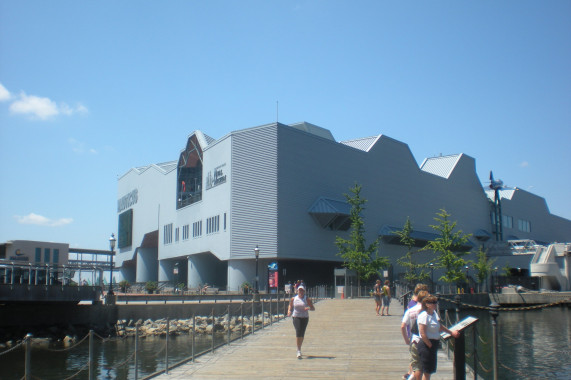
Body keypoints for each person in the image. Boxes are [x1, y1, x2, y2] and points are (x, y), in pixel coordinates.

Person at [416, 295, 460, 380]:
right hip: (426, 345)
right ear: (427, 304)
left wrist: (451, 333)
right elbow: (422, 332)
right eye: (433, 303)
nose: (435, 304)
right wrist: (429, 344)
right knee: (427, 370)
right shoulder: (424, 315)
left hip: (433, 343)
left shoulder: (434, 314)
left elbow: (440, 327)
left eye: (436, 302)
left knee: (430, 369)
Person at [401, 290, 429, 380]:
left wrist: (406, 340)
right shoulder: (428, 311)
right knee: (426, 368)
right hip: (426, 340)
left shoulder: (411, 310)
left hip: (414, 339)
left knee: (416, 366)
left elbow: (403, 326)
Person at [287, 285, 315, 359]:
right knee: (298, 331)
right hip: (296, 317)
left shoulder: (307, 299)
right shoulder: (294, 299)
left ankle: (299, 347)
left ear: (304, 291)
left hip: (304, 318)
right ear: (297, 291)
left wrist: (308, 308)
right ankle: (298, 350)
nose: (301, 292)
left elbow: (313, 308)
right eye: (299, 290)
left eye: (302, 290)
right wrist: (289, 311)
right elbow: (290, 306)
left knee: (302, 333)